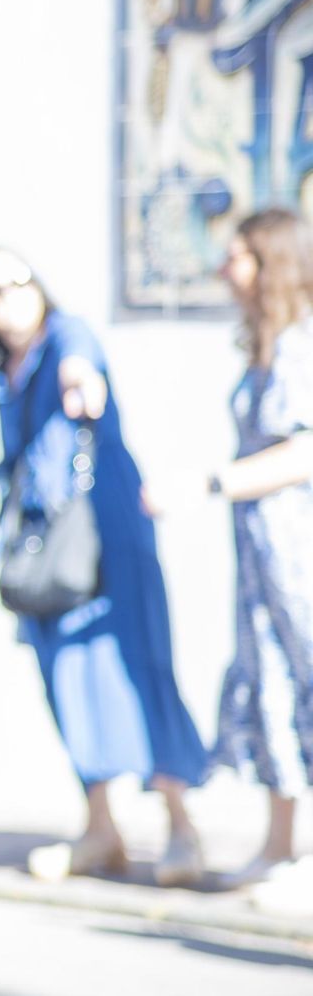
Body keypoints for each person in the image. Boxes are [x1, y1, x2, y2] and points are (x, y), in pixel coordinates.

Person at [0, 247, 208, 886]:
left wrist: (83, 384)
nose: (6, 301)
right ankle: (101, 829)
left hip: (108, 534)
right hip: (46, 550)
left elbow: (82, 369)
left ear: (38, 283)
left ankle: (182, 827)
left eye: (15, 283)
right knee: (66, 675)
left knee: (140, 668)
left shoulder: (68, 335)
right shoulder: (8, 365)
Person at [207, 208, 313, 889]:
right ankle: (282, 843)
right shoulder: (266, 344)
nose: (226, 270)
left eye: (239, 257)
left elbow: (305, 449)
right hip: (262, 553)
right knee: (271, 682)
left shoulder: (302, 345)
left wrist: (222, 480)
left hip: (297, 549)